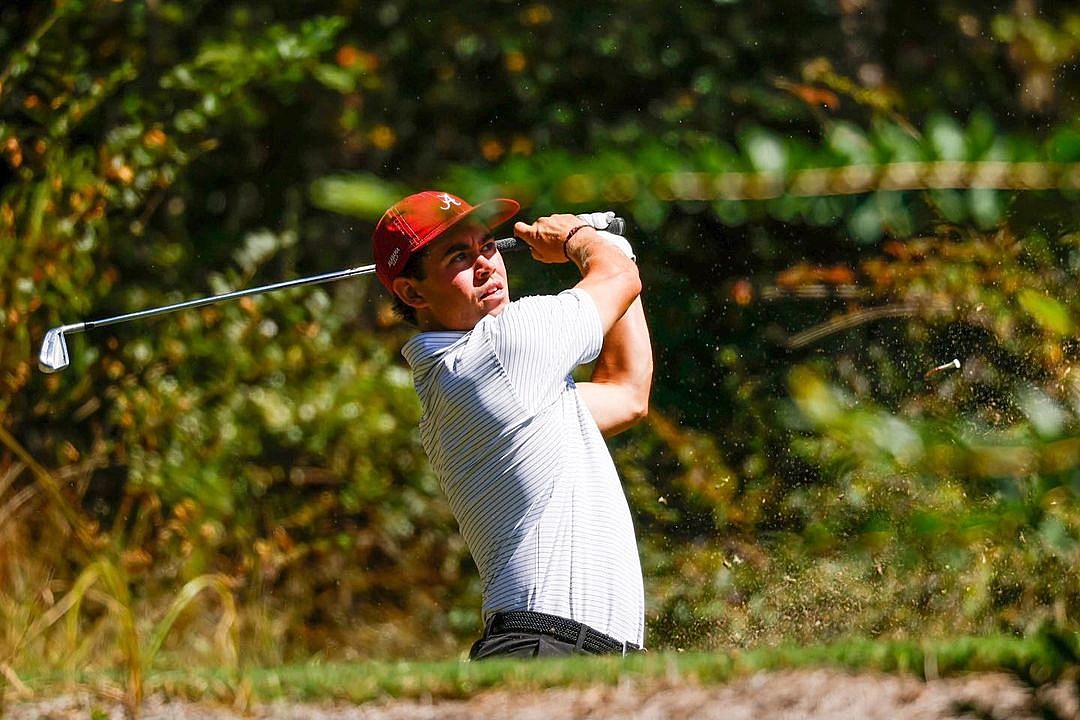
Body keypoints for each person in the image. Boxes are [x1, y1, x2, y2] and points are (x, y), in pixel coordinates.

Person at [371, 190, 653, 659]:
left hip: (566, 647)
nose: (486, 265)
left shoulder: (471, 379)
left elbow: (627, 393)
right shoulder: (501, 350)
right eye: (458, 257)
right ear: (412, 292)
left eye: (486, 246)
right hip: (547, 645)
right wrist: (581, 240)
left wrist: (611, 247)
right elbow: (619, 280)